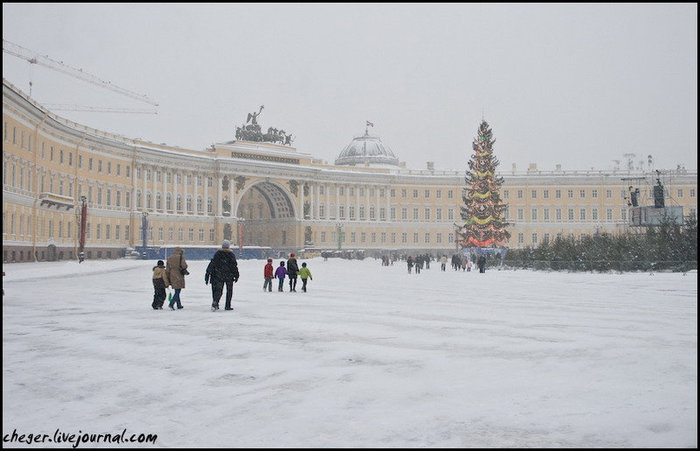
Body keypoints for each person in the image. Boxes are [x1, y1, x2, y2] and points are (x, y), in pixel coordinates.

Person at [205, 240, 240, 311]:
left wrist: (208, 274)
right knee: (229, 291)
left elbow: (212, 264)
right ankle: (227, 305)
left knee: (218, 290)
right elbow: (234, 266)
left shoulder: (218, 254)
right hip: (229, 275)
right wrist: (236, 275)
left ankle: (215, 303)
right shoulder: (231, 255)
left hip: (219, 275)